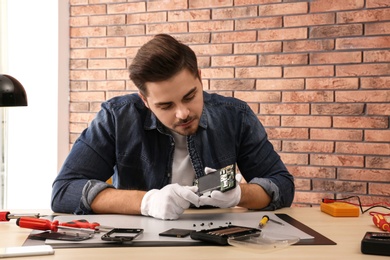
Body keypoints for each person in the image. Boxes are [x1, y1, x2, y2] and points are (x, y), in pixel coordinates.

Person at [51, 34, 294, 220]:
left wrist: (241, 194)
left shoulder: (236, 116)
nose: (183, 113)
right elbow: (64, 191)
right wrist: (147, 202)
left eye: (190, 96)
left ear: (199, 77)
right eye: (166, 105)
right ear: (145, 100)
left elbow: (282, 185)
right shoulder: (116, 117)